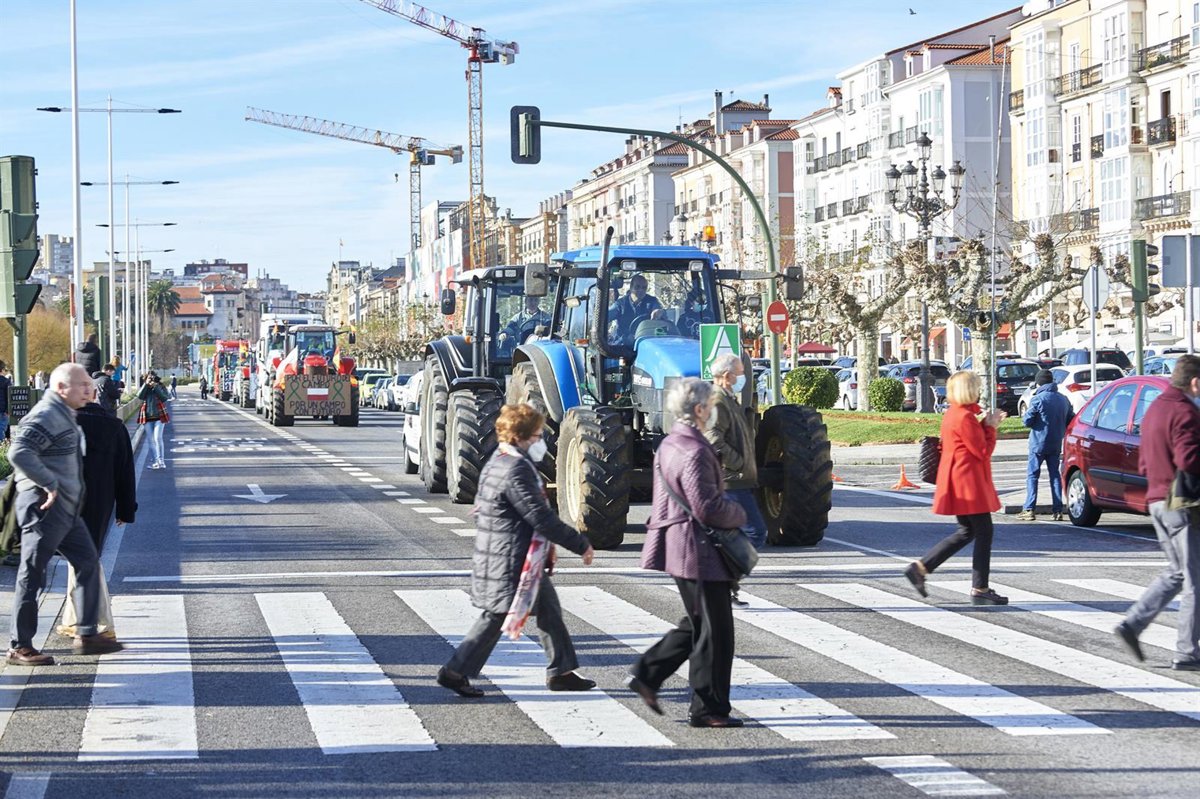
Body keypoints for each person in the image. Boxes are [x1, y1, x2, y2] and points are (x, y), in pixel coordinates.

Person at [437, 403, 597, 698]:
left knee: (549, 608)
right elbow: (540, 517)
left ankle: (561, 672)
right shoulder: (515, 469)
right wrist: (580, 543)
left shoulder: (500, 460)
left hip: (511, 553)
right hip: (510, 558)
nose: (540, 442)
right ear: (522, 437)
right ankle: (455, 671)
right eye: (537, 435)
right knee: (496, 616)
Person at [628, 378, 748, 728]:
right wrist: (739, 514)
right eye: (710, 406)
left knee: (700, 624)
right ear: (698, 410)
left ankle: (648, 674)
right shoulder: (693, 450)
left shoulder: (670, 442)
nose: (713, 411)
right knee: (717, 633)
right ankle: (708, 708)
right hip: (699, 549)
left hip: (683, 545)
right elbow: (707, 507)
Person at [6, 363, 123, 665]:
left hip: (67, 511)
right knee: (32, 575)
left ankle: (86, 632)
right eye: (82, 384)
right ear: (61, 389)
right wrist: (49, 483)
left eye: (89, 383)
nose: (90, 389)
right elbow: (17, 452)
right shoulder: (46, 415)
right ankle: (20, 646)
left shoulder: (65, 414)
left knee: (87, 562)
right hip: (43, 508)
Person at [1115, 355, 1200, 670]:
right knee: (1194, 580)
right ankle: (1187, 652)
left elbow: (1145, 459)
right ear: (1195, 382)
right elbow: (1189, 459)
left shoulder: (1155, 409)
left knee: (1177, 572)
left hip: (1155, 499)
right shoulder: (1184, 412)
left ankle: (1132, 624)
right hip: (1181, 503)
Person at [904, 370, 1009, 605]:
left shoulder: (956, 414)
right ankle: (980, 587)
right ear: (969, 390)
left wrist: (984, 423)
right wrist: (991, 427)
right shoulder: (964, 417)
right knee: (983, 532)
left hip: (959, 478)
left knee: (967, 531)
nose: (979, 391)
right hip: (968, 481)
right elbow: (982, 451)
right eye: (977, 387)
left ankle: (921, 568)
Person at [705, 353, 766, 608]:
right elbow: (712, 437)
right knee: (755, 532)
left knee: (738, 533)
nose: (742, 377)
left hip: (738, 479)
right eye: (740, 373)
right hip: (730, 480)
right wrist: (738, 463)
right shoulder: (717, 400)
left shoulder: (728, 398)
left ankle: (725, 582)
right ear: (727, 376)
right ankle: (721, 577)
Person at [1018, 369, 1074, 522]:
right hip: (1056, 442)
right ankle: (1058, 510)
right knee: (1055, 475)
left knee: (1032, 476)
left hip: (1038, 443)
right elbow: (1071, 419)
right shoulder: (1063, 399)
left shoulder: (1038, 399)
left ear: (1039, 382)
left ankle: (1029, 509)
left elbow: (1027, 421)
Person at [607, 273, 663, 344]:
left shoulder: (652, 301)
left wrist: (658, 312)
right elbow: (604, 319)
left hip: (645, 343)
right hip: (622, 346)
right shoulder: (620, 304)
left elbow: (658, 310)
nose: (641, 290)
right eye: (637, 287)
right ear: (631, 287)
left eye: (644, 288)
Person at [138, 372, 171, 469]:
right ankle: (155, 461)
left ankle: (161, 461)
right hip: (147, 417)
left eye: (152, 378)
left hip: (159, 416)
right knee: (150, 440)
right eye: (149, 378)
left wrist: (155, 387)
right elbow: (140, 396)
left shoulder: (160, 386)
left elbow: (164, 398)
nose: (151, 379)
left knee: (157, 438)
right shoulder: (145, 387)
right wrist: (146, 385)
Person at [0, 359, 10, 440]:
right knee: (1, 429)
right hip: (2, 410)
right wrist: (8, 410)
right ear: (2, 370)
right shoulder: (6, 381)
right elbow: (9, 396)